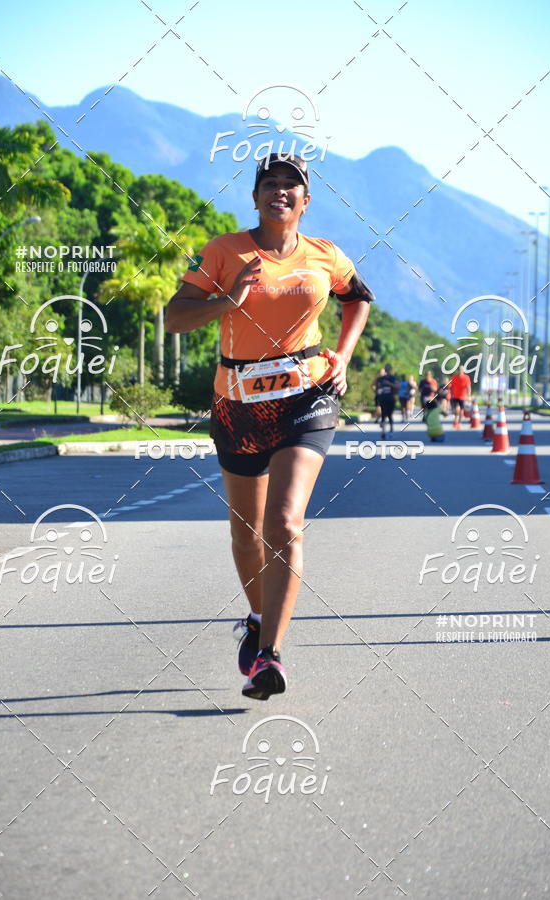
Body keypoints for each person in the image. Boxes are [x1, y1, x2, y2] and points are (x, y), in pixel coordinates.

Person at [165, 153, 373, 700]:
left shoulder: (326, 256)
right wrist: (227, 300)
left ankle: (269, 657)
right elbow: (174, 317)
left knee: (284, 523)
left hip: (307, 397)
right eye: (270, 184)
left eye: (292, 186)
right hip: (236, 406)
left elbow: (359, 301)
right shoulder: (224, 252)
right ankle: (258, 617)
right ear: (255, 198)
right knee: (247, 534)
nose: (281, 192)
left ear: (307, 201)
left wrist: (344, 357)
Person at [374, 364, 398, 439]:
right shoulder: (381, 379)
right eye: (386, 369)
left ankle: (391, 430)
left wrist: (389, 384)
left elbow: (397, 386)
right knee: (383, 415)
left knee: (390, 415)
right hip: (383, 399)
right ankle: (383, 432)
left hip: (390, 399)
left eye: (388, 369)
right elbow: (376, 387)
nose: (387, 370)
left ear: (390, 370)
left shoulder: (392, 378)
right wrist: (378, 391)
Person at [449, 365, 472, 429]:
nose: (460, 371)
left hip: (463, 396)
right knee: (456, 409)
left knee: (461, 410)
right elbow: (451, 387)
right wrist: (451, 394)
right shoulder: (454, 377)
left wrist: (469, 396)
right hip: (455, 396)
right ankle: (455, 421)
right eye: (459, 370)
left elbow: (468, 387)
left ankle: (459, 422)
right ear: (457, 370)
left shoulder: (466, 377)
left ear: (463, 370)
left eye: (461, 369)